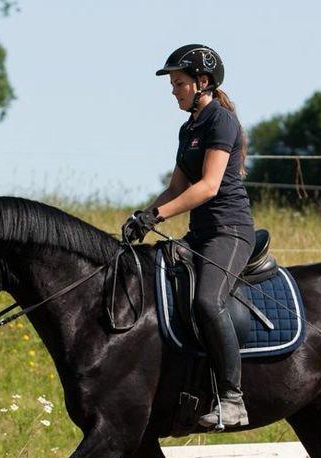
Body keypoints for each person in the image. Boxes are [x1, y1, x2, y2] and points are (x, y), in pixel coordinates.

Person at [122, 44, 255, 430]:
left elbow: (209, 187)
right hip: (199, 233)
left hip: (229, 231)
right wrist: (143, 216)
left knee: (208, 302)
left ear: (202, 82)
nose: (174, 91)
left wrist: (159, 214)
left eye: (179, 83)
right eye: (173, 84)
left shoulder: (221, 122)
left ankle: (233, 400)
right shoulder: (189, 128)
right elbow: (177, 186)